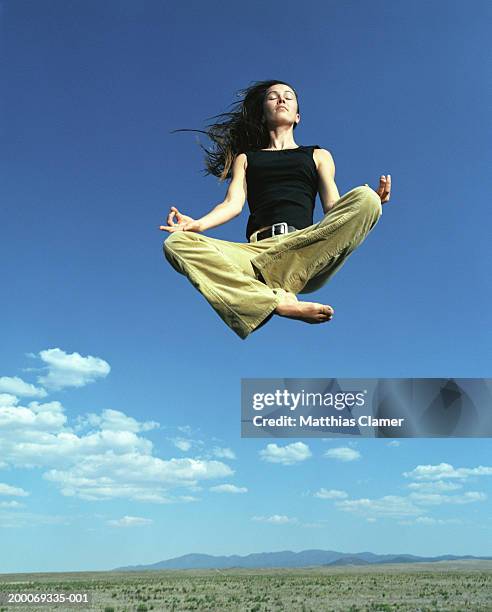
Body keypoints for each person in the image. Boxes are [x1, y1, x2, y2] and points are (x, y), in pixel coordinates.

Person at [160, 79, 391, 340]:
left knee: (365, 197)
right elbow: (232, 204)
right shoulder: (246, 159)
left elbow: (333, 207)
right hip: (255, 255)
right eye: (273, 97)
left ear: (298, 116)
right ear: (263, 113)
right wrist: (197, 225)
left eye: (288, 96)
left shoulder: (318, 155)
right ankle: (275, 302)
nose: (281, 99)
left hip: (305, 250)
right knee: (177, 243)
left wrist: (371, 204)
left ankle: (276, 287)